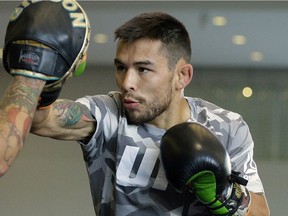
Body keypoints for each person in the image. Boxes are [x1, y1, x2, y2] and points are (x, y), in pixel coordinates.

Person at [0, 0, 270, 215]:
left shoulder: (227, 127)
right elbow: (40, 119)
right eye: (121, 68)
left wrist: (224, 194)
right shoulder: (109, 114)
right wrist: (34, 74)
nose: (127, 82)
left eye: (143, 69)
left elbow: (261, 212)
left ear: (182, 76)